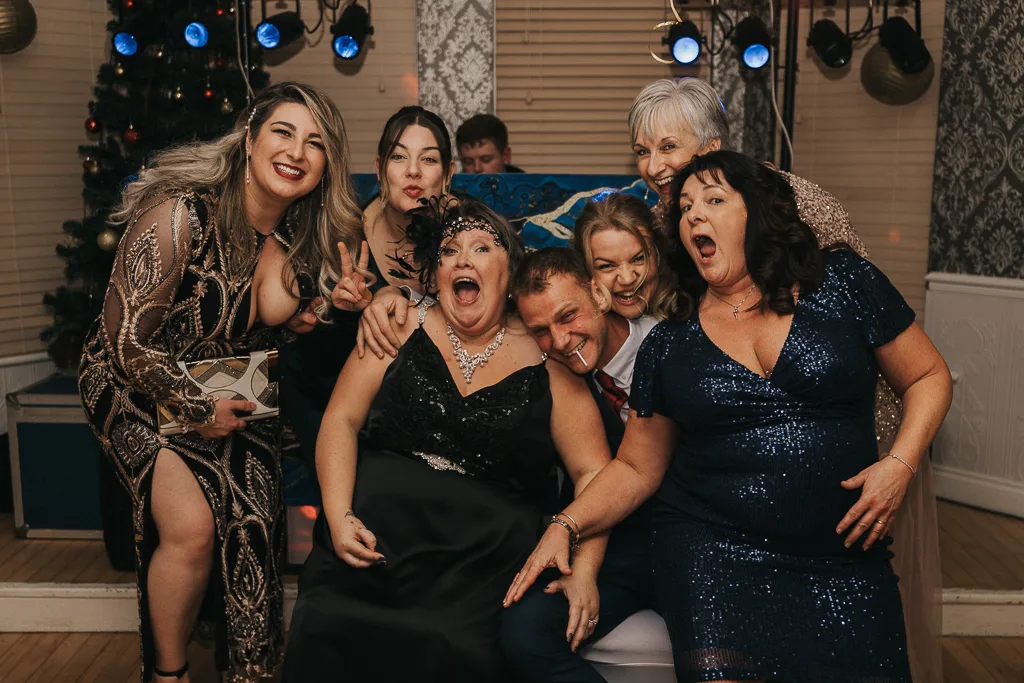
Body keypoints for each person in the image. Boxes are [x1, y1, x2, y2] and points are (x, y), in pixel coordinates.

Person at [506, 151, 953, 683]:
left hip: (844, 561)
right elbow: (634, 469)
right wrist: (566, 523)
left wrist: (899, 464)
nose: (694, 214)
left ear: (758, 211)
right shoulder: (671, 343)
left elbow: (928, 376)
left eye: (714, 199)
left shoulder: (842, 281)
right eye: (686, 207)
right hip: (713, 561)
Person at [629, 78, 943, 680]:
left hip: (848, 500)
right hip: (716, 537)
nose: (654, 166)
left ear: (713, 144)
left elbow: (871, 351)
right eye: (642, 152)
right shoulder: (667, 228)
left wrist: (890, 464)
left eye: (668, 146)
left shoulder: (801, 211)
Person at [76, 82, 363, 683]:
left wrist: (323, 304)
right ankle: (169, 674)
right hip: (131, 381)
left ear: (326, 164)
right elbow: (127, 342)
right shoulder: (179, 214)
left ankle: (251, 669)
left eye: (315, 143)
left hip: (227, 382)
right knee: (193, 529)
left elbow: (266, 322)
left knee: (255, 520)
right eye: (283, 132)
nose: (296, 152)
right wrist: (196, 406)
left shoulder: (295, 236)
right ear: (251, 136)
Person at [283, 197, 613, 682]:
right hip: (374, 550)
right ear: (434, 273)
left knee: (457, 651)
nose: (463, 260)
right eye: (449, 251)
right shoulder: (395, 323)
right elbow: (340, 420)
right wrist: (336, 515)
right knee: (324, 623)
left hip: (479, 573)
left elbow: (595, 474)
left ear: (510, 271)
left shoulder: (547, 352)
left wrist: (583, 568)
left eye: (482, 248)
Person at [504, 246, 660, 682]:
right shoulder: (557, 372)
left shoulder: (664, 347)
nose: (559, 340)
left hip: (689, 538)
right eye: (541, 330)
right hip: (619, 542)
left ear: (598, 292)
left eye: (567, 316)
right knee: (524, 632)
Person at [279, 105, 455, 477]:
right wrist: (344, 312)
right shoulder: (337, 237)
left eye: (429, 159)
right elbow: (310, 363)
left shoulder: (468, 236)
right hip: (344, 413)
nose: (413, 171)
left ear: (448, 174)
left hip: (436, 413)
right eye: (399, 157)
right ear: (379, 168)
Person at [456, 113, 525, 173]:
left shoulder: (527, 187)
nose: (477, 169)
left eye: (486, 159)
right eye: (468, 162)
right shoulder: (451, 186)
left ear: (506, 155)